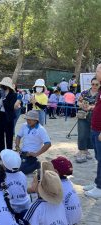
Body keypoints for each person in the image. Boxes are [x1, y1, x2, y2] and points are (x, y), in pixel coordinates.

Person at [16, 110, 51, 174]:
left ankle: (36, 164)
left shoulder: (41, 129)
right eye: (27, 119)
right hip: (22, 153)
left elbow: (48, 143)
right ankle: (34, 164)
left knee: (20, 170)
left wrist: (37, 154)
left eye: (30, 119)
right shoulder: (24, 125)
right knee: (11, 166)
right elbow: (18, 136)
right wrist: (17, 146)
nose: (27, 121)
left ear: (35, 120)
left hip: (32, 155)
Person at [84, 64, 101, 198]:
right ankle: (97, 183)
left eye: (98, 70)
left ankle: (99, 187)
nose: (96, 73)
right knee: (98, 158)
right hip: (95, 128)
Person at [51, 156, 82, 224]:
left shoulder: (56, 186)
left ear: (56, 172)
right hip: (76, 219)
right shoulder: (69, 183)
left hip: (66, 221)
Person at [0, 149, 31, 218]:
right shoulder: (22, 175)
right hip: (25, 205)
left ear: (4, 166)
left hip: (11, 207)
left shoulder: (2, 177)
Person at [75, 77, 99, 163]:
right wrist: (82, 105)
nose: (94, 86)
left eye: (97, 84)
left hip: (95, 117)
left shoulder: (99, 94)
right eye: (93, 84)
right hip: (83, 115)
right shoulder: (85, 92)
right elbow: (78, 102)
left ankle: (86, 150)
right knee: (82, 133)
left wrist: (91, 107)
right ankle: (81, 151)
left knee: (90, 134)